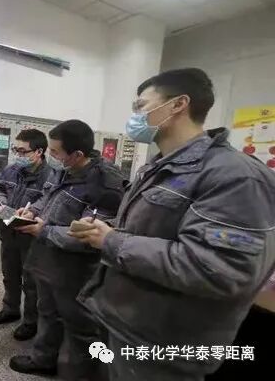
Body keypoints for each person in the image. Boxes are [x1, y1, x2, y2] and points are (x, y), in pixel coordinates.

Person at [72, 68, 275, 381]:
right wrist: (105, 227)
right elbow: (154, 228)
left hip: (168, 343)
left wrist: (111, 241)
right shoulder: (160, 166)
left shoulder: (236, 176)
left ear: (178, 104)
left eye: (141, 106)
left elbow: (220, 270)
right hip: (132, 323)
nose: (134, 116)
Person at [8, 120, 125, 379]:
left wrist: (43, 231)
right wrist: (32, 211)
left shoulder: (105, 184)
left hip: (76, 269)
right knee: (48, 311)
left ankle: (84, 372)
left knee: (80, 325)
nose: (50, 156)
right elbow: (46, 196)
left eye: (55, 152)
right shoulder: (64, 170)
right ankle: (44, 359)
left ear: (77, 154)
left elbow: (88, 235)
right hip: (49, 258)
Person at [0, 129, 52, 341]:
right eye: (16, 150)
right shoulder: (11, 170)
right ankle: (10, 309)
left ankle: (31, 321)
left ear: (39, 151)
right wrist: (0, 205)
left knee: (31, 282)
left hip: (32, 236)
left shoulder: (52, 175)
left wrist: (32, 211)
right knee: (10, 275)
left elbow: (49, 201)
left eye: (23, 151)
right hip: (8, 230)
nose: (18, 155)